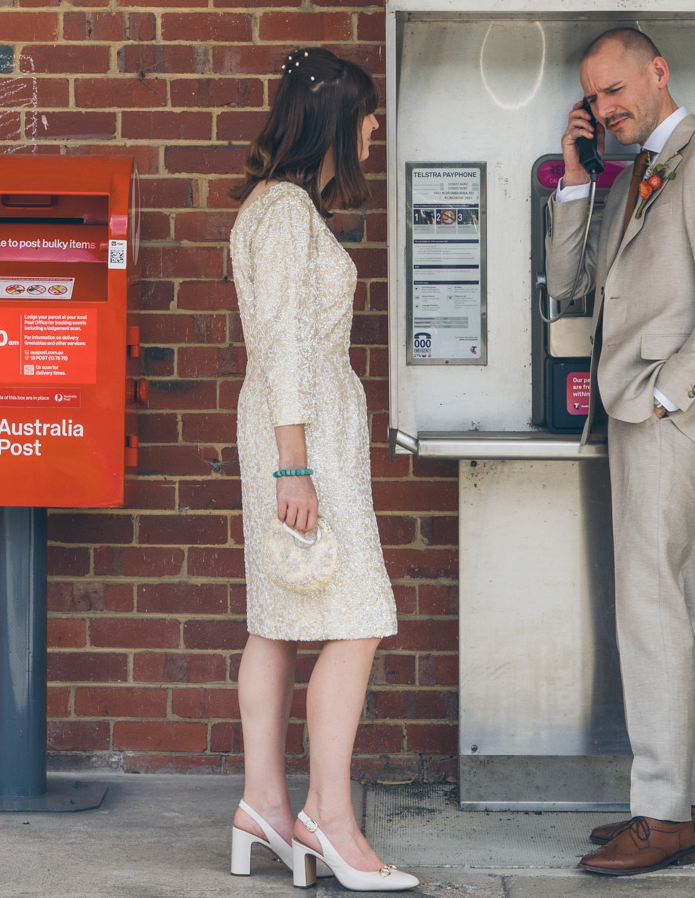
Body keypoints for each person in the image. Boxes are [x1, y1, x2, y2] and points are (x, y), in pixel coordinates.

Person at [546, 28, 695, 878]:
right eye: (594, 98)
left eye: (616, 91)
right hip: (645, 412)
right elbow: (572, 283)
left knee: (650, 608)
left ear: (658, 73)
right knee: (687, 601)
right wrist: (574, 175)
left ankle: (662, 813)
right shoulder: (633, 172)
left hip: (665, 415)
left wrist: (670, 390)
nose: (606, 108)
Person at [227, 47, 418, 893]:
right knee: (359, 613)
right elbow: (282, 348)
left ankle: (264, 806)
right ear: (336, 119)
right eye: (368, 112)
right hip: (300, 440)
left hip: (296, 433)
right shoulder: (284, 216)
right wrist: (293, 467)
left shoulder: (278, 210)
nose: (376, 126)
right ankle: (326, 817)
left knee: (275, 615)